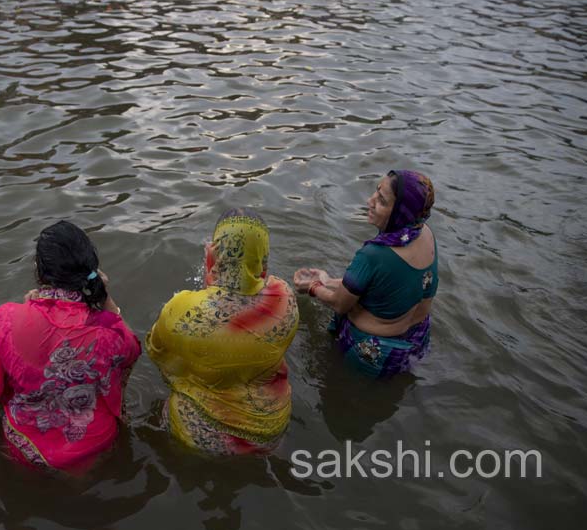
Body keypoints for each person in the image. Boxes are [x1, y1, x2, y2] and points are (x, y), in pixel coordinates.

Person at [0, 221, 140, 471]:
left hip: (28, 448)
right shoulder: (107, 329)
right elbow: (132, 350)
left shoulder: (6, 319)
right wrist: (106, 299)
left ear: (39, 271)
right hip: (95, 445)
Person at [147, 208, 300, 455]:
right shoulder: (284, 299)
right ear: (263, 256)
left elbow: (156, 352)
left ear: (215, 252)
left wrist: (212, 275)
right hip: (271, 428)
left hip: (204, 434)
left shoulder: (183, 310)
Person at [294, 170, 438, 378]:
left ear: (399, 212)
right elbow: (386, 285)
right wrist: (328, 280)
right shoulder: (426, 234)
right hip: (418, 339)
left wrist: (312, 287)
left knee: (335, 393)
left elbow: (340, 304)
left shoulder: (373, 255)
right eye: (376, 192)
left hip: (374, 352)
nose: (370, 201)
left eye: (382, 201)